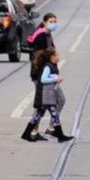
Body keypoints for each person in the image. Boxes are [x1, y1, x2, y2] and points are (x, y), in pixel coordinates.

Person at [21, 47, 73, 143]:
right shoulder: (48, 67)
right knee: (54, 115)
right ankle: (60, 136)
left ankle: (26, 134)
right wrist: (55, 79)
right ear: (52, 57)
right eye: (57, 55)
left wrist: (56, 81)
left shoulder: (52, 65)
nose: (59, 56)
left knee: (38, 115)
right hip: (45, 95)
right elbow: (43, 79)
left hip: (48, 94)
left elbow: (49, 79)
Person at [26, 13, 63, 141]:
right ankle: (37, 131)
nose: (54, 23)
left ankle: (43, 130)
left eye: (55, 21)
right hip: (41, 77)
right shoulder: (41, 36)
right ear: (45, 22)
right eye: (51, 21)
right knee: (46, 103)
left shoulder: (47, 35)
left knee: (47, 104)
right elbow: (41, 59)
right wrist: (50, 76)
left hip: (47, 76)